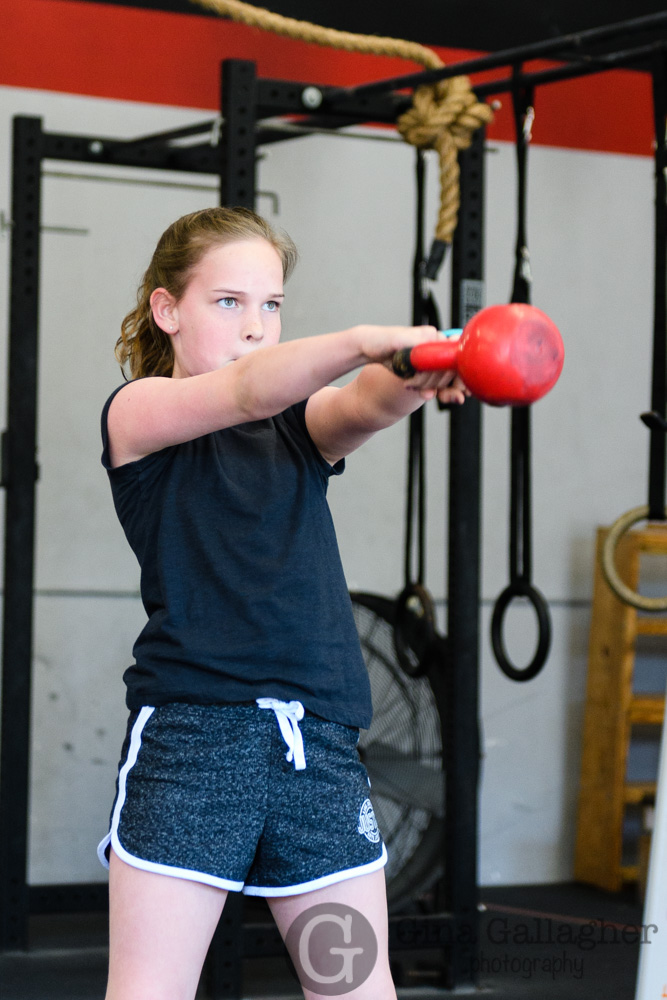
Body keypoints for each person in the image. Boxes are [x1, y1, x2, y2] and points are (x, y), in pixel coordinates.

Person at [98, 205, 466, 1000]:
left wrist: (419, 369)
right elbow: (244, 390)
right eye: (228, 302)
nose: (255, 325)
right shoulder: (138, 415)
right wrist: (366, 337)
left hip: (320, 752)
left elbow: (362, 403)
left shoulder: (296, 428)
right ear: (169, 311)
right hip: (198, 745)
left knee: (357, 992)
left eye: (271, 306)